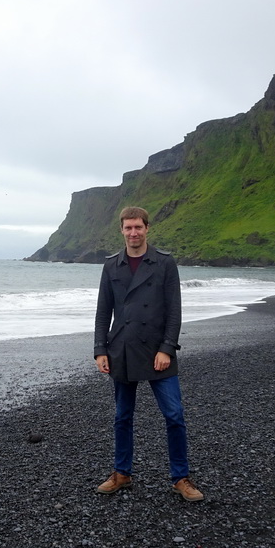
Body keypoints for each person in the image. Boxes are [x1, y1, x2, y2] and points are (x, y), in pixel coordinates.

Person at [93, 206, 203, 502]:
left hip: (157, 351)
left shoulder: (164, 263)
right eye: (128, 228)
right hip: (122, 349)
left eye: (138, 227)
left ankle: (181, 478)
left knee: (174, 415)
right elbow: (104, 311)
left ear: (147, 228)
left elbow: (174, 311)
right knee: (122, 416)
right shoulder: (111, 265)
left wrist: (167, 348)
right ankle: (122, 473)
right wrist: (99, 350)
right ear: (122, 230)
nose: (133, 233)